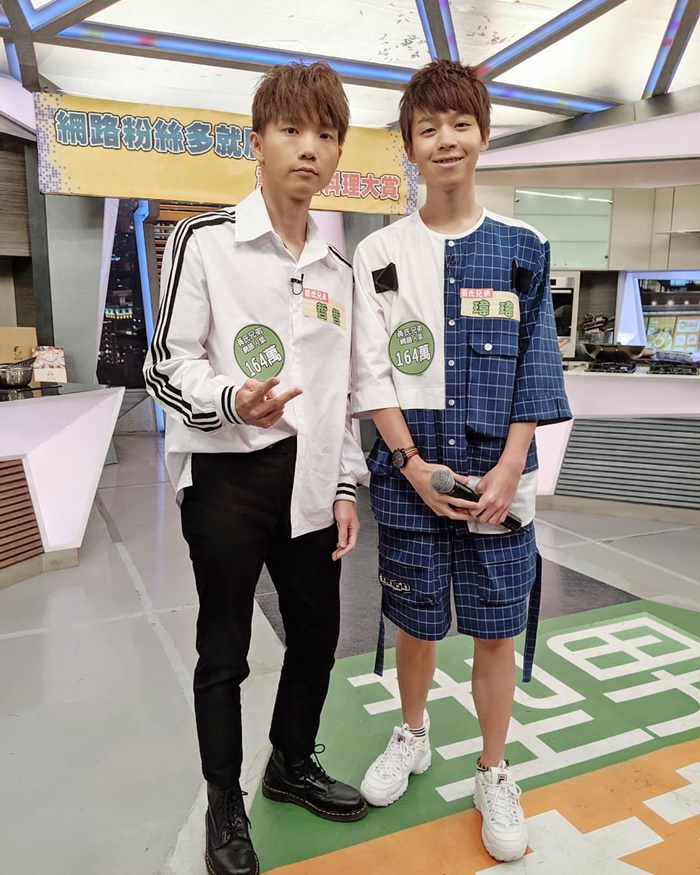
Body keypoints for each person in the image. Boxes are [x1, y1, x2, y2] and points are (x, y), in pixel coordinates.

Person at [144, 61, 369, 875]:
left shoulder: (338, 272)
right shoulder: (205, 241)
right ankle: (223, 802)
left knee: (318, 635)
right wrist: (235, 400)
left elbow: (342, 394)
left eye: (326, 134)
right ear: (258, 142)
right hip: (228, 479)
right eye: (292, 129)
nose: (310, 148)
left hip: (310, 481)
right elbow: (166, 365)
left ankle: (290, 760)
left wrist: (344, 484)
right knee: (225, 651)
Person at [351, 60, 572, 863]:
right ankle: (411, 733)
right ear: (408, 145)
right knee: (414, 620)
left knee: (495, 629)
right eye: (428, 127)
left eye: (460, 124)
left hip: (498, 477)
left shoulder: (523, 248)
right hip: (409, 475)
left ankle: (493, 768)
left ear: (483, 134)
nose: (445, 140)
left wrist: (513, 464)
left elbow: (536, 361)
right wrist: (410, 462)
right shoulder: (378, 251)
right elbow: (370, 368)